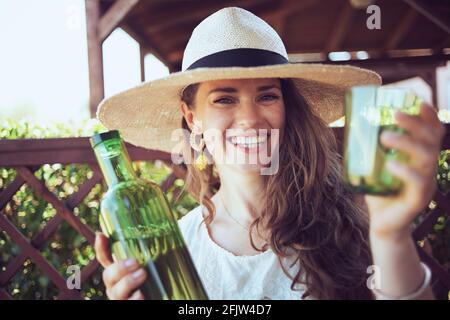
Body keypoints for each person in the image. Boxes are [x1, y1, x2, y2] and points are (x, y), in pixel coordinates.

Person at [94, 7, 445, 300]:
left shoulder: (347, 219)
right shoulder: (177, 250)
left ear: (286, 107)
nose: (249, 119)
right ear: (192, 118)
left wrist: (390, 235)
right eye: (224, 99)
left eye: (267, 96)